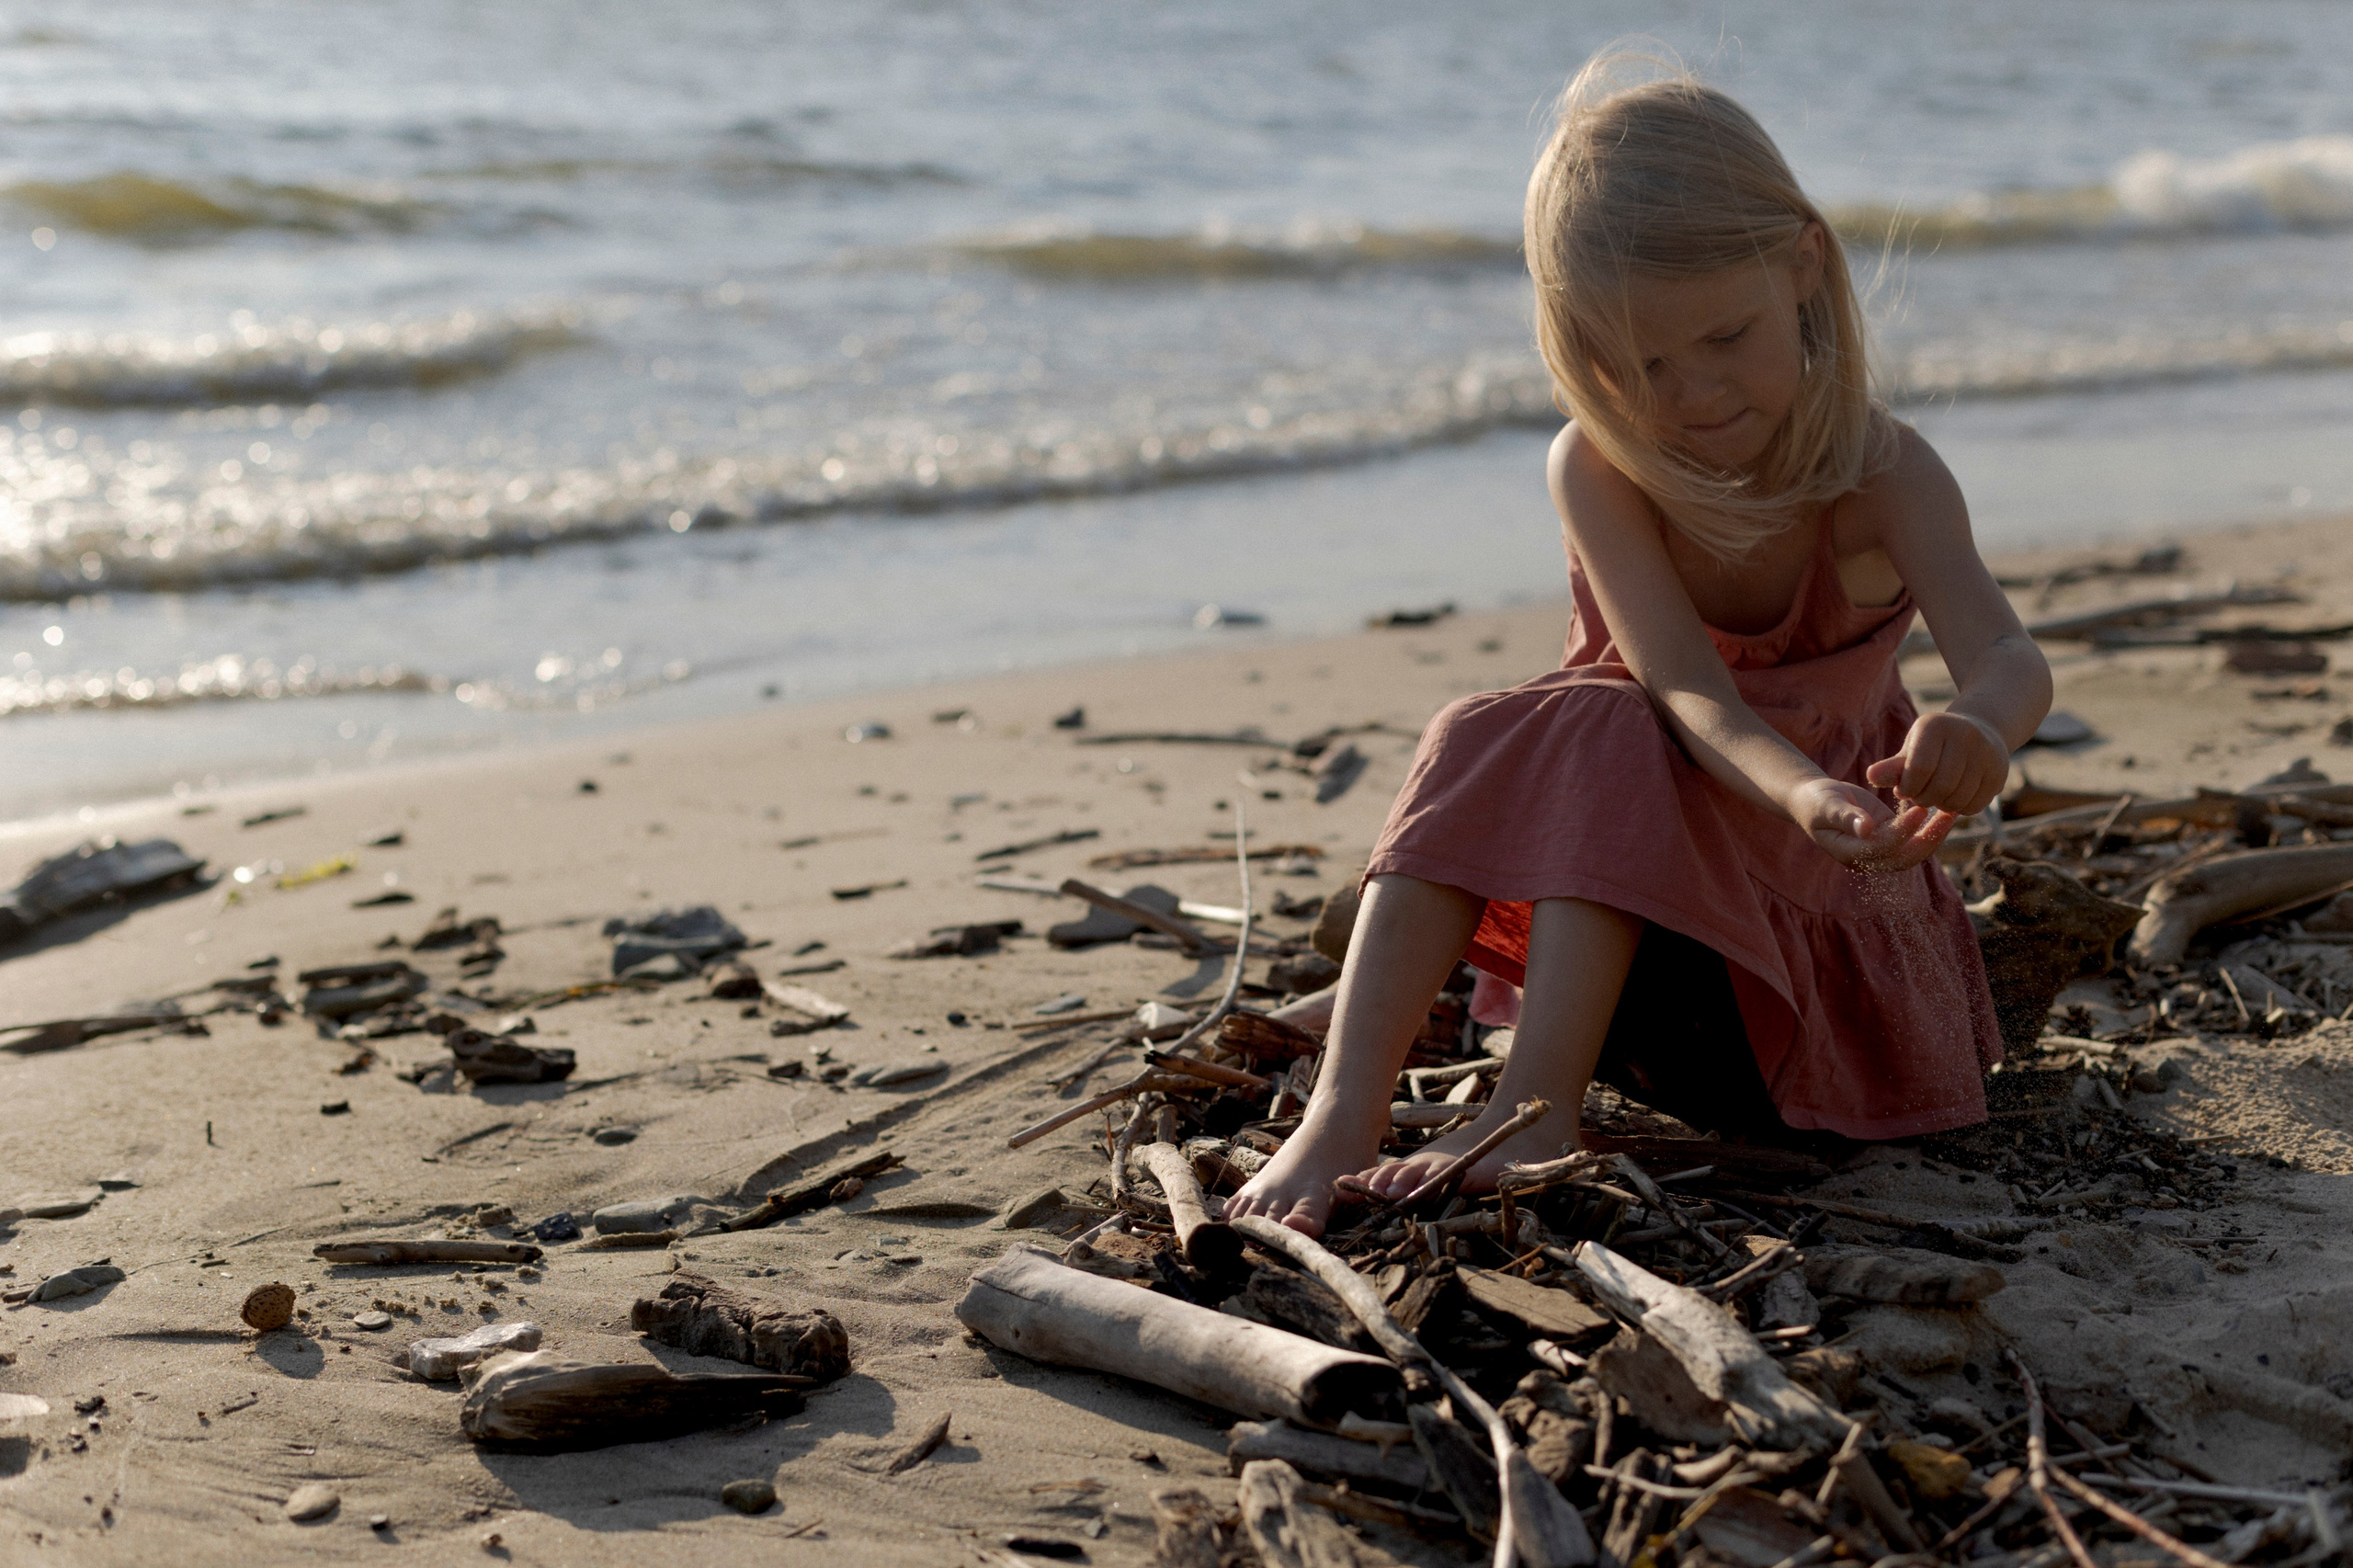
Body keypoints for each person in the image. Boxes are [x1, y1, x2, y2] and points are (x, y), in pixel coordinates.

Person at [1229, 53, 2051, 1237]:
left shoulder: (1884, 473)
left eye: (1726, 336)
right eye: (1640, 363)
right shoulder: (1603, 466)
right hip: (1637, 973)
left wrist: (1973, 727)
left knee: (1590, 721)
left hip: (1790, 996)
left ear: (1804, 265)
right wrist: (1800, 783)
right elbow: (1686, 692)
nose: (1694, 394)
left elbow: (2012, 658)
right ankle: (1340, 1116)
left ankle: (1534, 1111)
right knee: (1562, 716)